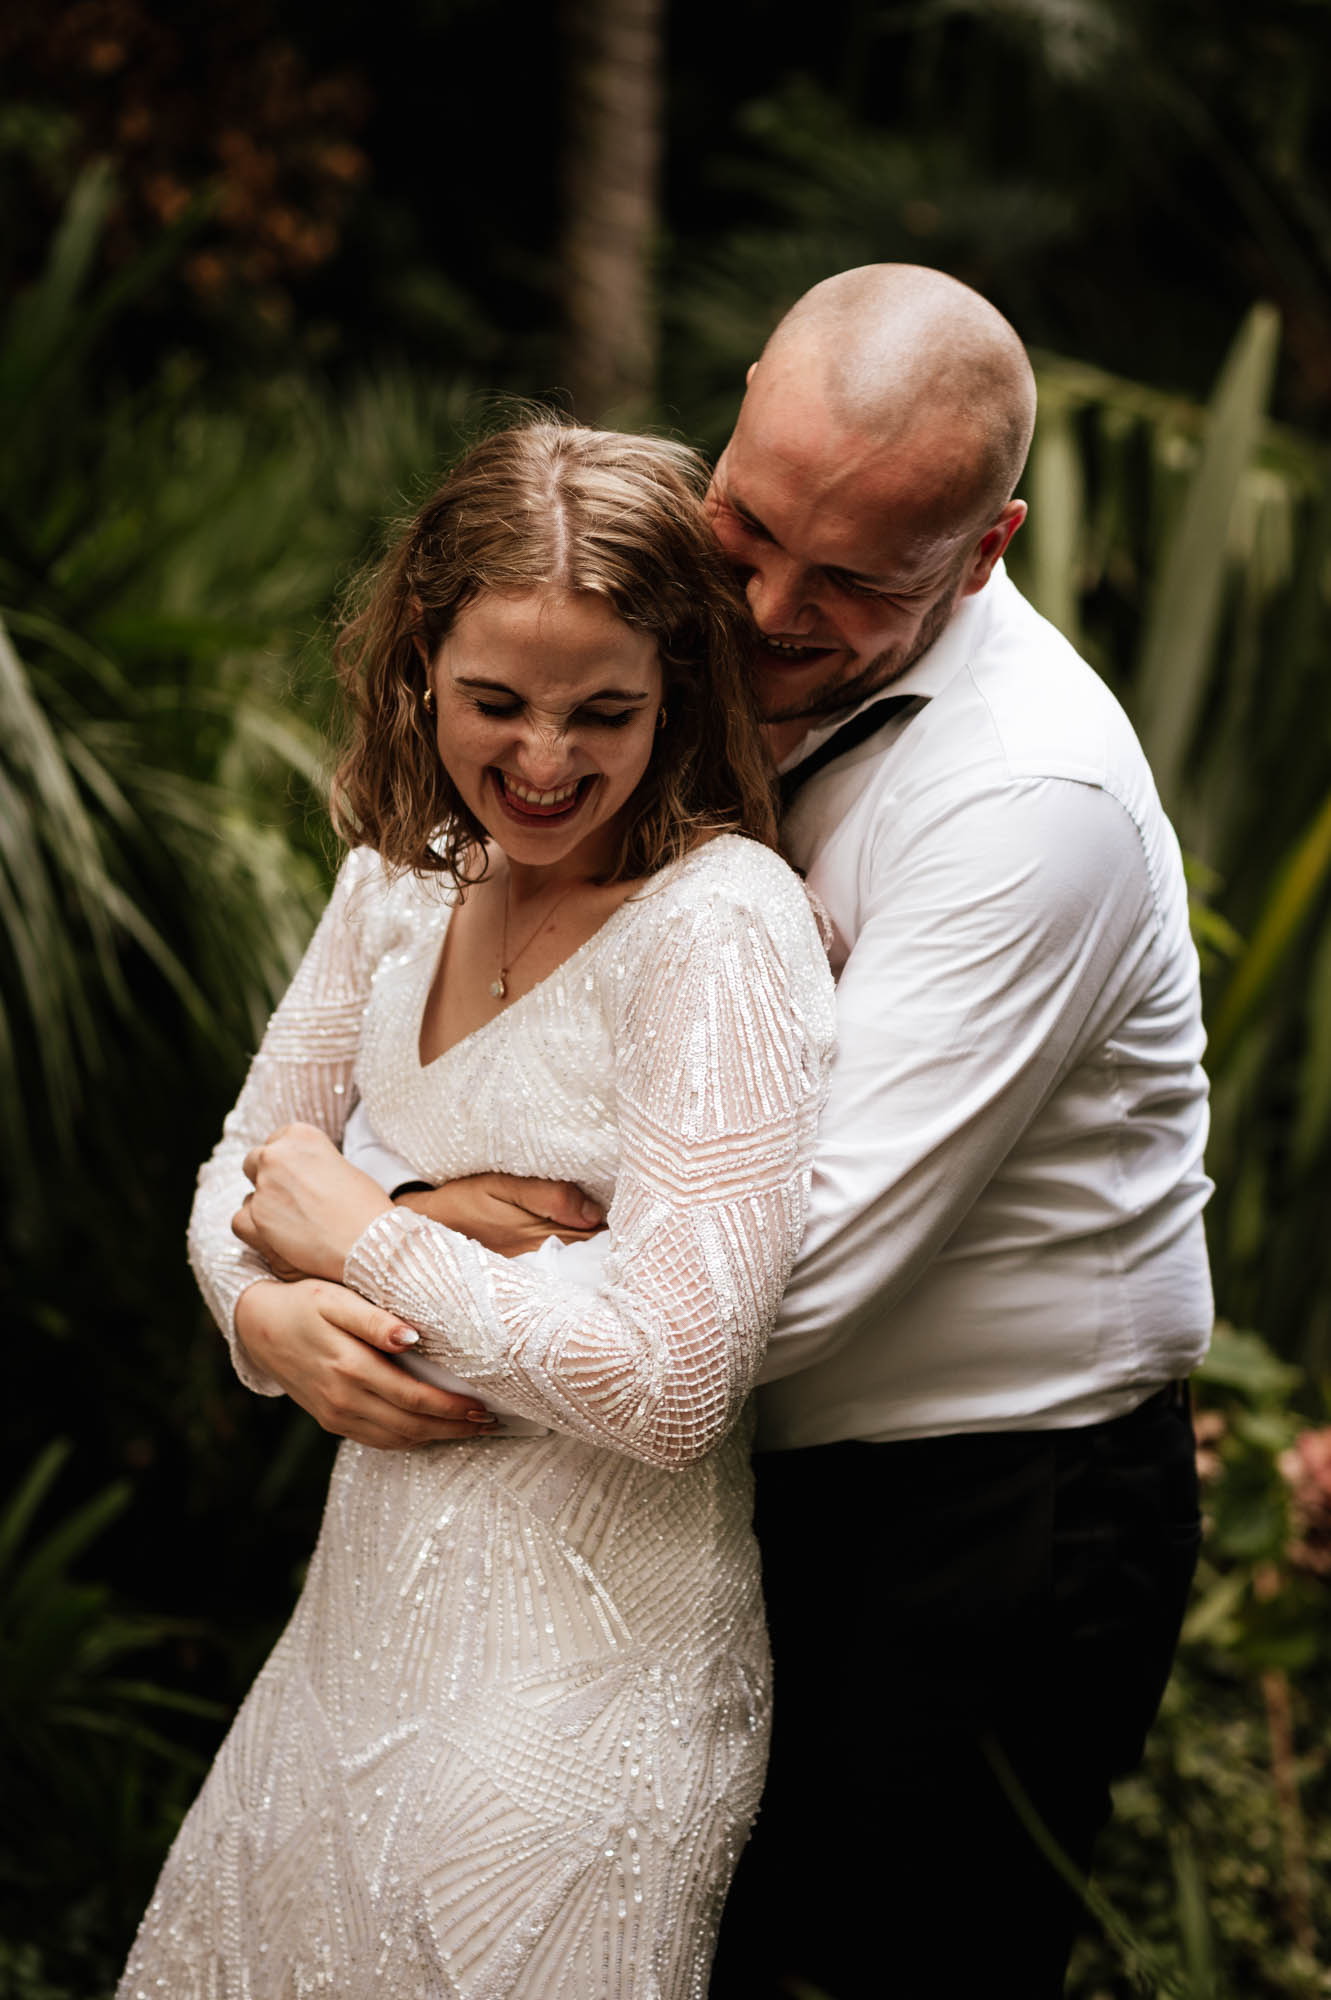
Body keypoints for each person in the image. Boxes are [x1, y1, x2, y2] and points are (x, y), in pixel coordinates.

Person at [232, 267, 1214, 1997]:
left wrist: (377, 1223)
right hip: (650, 1483)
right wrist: (276, 1290)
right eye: (749, 527)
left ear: (986, 551)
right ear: (743, 402)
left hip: (974, 1509)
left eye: (851, 583)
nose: (760, 605)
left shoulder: (1026, 807)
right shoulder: (626, 690)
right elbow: (299, 1145)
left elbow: (776, 1288)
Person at [116, 422, 837, 2000]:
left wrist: (364, 1234)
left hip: (584, 1687)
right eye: (494, 704)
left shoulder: (719, 926)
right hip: (356, 1632)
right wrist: (267, 1316)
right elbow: (243, 1174)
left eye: (607, 713)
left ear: (683, 697)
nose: (544, 762)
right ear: (417, 672)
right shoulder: (398, 882)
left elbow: (668, 1380)